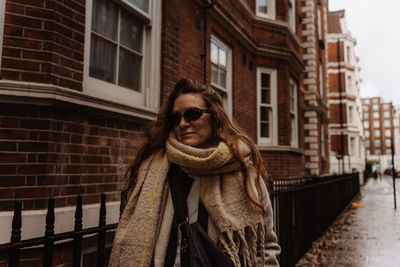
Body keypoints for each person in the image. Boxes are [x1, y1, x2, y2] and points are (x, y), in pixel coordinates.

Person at [109, 78, 280, 267]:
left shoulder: (243, 168)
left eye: (192, 114)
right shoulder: (156, 166)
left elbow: (265, 246)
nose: (182, 124)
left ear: (214, 116)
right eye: (176, 118)